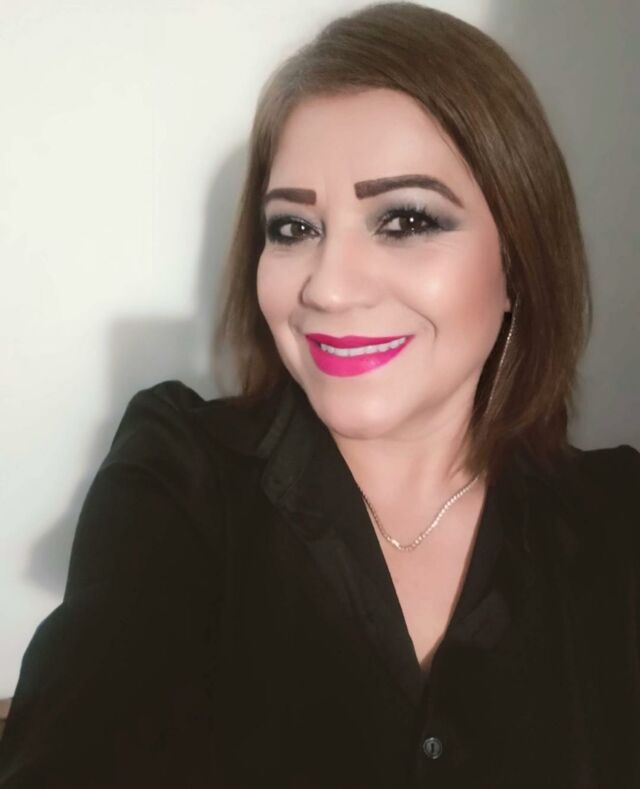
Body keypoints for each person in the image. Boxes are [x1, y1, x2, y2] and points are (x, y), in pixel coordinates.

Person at [1, 2, 638, 787]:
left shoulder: (617, 522)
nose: (328, 288)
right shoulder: (182, 480)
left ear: (517, 263)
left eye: (405, 219)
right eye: (294, 228)